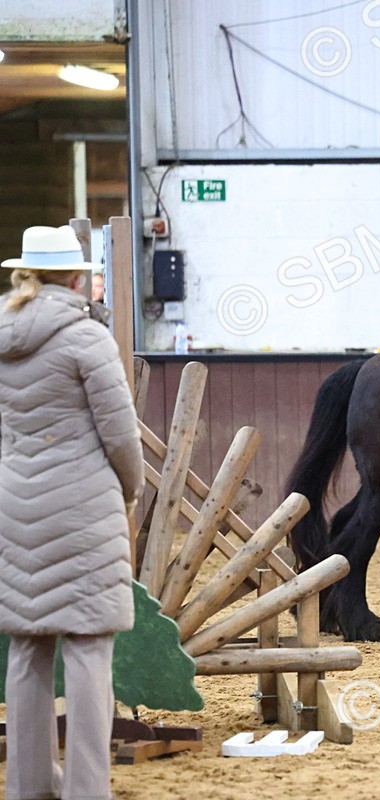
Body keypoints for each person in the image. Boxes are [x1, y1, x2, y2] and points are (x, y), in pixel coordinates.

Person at [0, 225, 143, 800]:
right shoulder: (87, 339)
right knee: (88, 651)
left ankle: (27, 786)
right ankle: (87, 788)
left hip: (13, 506)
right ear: (79, 277)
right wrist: (127, 493)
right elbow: (122, 439)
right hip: (84, 511)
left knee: (27, 647)